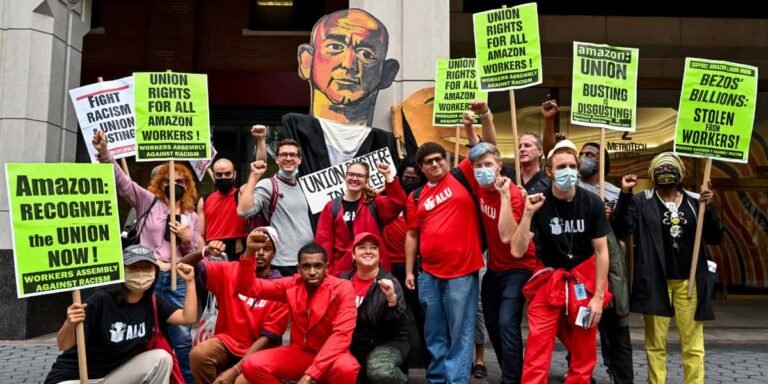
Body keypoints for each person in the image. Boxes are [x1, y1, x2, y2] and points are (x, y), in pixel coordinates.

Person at [93, 130, 199, 383]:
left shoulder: (191, 216)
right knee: (145, 334)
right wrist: (106, 153)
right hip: (147, 276)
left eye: (181, 181)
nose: (175, 185)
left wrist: (187, 239)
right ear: (160, 183)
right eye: (169, 180)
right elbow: (122, 182)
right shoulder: (147, 201)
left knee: (182, 337)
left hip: (174, 278)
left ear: (188, 186)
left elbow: (193, 255)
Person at [613, 152, 723, 384]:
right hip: (655, 282)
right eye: (660, 168)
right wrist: (625, 194)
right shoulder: (641, 201)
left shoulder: (696, 201)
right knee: (655, 345)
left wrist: (711, 206)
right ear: (653, 174)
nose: (665, 172)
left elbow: (714, 236)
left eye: (670, 167)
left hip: (690, 283)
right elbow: (622, 228)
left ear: (680, 173)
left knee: (693, 345)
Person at [510, 140, 612, 384]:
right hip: (549, 281)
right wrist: (527, 213)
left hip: (584, 284)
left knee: (584, 348)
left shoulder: (592, 203)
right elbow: (517, 249)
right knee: (537, 345)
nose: (568, 171)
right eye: (561, 166)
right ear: (549, 171)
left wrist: (598, 297)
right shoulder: (539, 203)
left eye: (572, 166)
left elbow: (601, 252)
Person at [460, 105, 538, 383]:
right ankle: (510, 370)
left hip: (520, 267)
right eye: (478, 166)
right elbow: (480, 147)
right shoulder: (478, 184)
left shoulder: (514, 193)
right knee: (492, 324)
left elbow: (507, 236)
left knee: (507, 323)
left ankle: (512, 379)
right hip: (494, 267)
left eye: (488, 165)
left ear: (499, 166)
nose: (482, 170)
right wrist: (471, 126)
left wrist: (505, 196)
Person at [44, 245, 197, 384]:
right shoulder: (101, 300)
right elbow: (63, 344)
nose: (140, 273)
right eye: (134, 267)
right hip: (77, 377)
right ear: (121, 271)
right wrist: (69, 323)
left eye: (146, 267)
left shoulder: (153, 301)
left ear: (155, 272)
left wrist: (190, 282)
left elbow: (187, 317)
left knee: (162, 358)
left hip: (115, 375)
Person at [404, 142, 484, 384]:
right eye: (429, 161)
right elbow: (411, 234)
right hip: (428, 273)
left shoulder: (462, 177)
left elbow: (483, 148)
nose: (436, 163)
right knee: (434, 332)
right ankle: (437, 379)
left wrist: (482, 119)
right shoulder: (415, 196)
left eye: (439, 158)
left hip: (462, 271)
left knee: (461, 332)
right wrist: (409, 271)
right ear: (421, 168)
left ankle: (457, 380)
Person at [284, 8, 400, 174]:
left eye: (366, 54)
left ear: (386, 73)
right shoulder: (292, 130)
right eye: (335, 46)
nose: (348, 64)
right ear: (306, 61)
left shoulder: (387, 145)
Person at [234, 237, 359, 384]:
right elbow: (248, 288)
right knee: (251, 365)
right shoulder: (292, 284)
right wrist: (249, 252)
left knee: (347, 368)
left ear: (327, 267)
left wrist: (311, 375)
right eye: (306, 267)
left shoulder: (343, 288)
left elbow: (341, 335)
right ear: (298, 269)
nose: (312, 272)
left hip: (332, 356)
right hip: (300, 354)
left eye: (317, 266)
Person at [183, 227, 290, 384]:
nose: (259, 253)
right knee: (199, 355)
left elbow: (267, 339)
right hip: (226, 342)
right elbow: (183, 265)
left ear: (274, 254)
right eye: (255, 247)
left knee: (241, 381)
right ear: (247, 247)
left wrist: (234, 371)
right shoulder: (230, 270)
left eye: (266, 249)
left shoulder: (281, 287)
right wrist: (204, 251)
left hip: (260, 351)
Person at [576, 142, 634, 383]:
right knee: (579, 324)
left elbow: (624, 230)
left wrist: (623, 200)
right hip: (580, 267)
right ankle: (579, 373)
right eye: (582, 154)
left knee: (615, 328)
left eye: (591, 155)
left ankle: (619, 375)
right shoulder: (571, 186)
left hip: (609, 270)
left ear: (603, 162)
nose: (584, 158)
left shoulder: (614, 192)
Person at [238, 135, 314, 277]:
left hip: (306, 261)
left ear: (299, 160)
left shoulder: (305, 186)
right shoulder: (268, 185)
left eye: (293, 155)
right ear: (277, 159)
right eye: (283, 155)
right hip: (282, 264)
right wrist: (254, 176)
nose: (288, 158)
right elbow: (243, 211)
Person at [315, 161, 406, 276]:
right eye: (351, 174)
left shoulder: (375, 203)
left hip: (373, 270)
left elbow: (398, 203)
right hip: (342, 272)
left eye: (360, 176)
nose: (354, 178)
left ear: (366, 180)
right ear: (345, 177)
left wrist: (388, 176)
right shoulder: (332, 207)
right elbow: (324, 243)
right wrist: (325, 272)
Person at [341, 232, 409, 384]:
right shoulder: (343, 280)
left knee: (380, 371)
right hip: (353, 344)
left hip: (386, 342)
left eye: (373, 248)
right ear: (353, 254)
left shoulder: (390, 282)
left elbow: (396, 328)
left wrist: (392, 299)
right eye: (362, 247)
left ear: (379, 254)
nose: (368, 251)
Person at [382, 160, 430, 367]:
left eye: (415, 178)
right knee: (391, 312)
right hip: (389, 266)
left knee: (421, 314)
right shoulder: (386, 199)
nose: (410, 181)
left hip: (415, 267)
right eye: (406, 178)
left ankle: (430, 360)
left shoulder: (421, 199)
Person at [196, 157, 249, 260]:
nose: (223, 177)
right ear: (214, 175)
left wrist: (261, 142)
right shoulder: (204, 200)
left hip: (238, 252)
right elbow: (200, 235)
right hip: (212, 251)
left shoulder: (242, 195)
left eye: (227, 174)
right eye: (219, 175)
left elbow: (258, 169)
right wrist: (204, 256)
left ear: (234, 174)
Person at [515, 100, 560, 195]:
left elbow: (551, 153)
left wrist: (549, 119)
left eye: (527, 145)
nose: (522, 149)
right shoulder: (509, 176)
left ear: (540, 151)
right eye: (520, 146)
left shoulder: (548, 180)